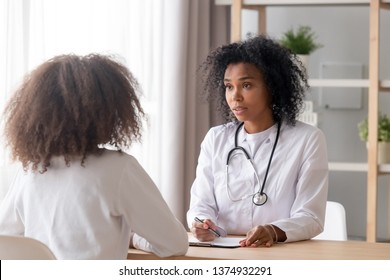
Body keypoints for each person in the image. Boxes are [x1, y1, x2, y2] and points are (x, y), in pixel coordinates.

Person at [0, 53, 188, 259]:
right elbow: (175, 243)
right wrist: (135, 239)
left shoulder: (32, 170)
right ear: (109, 109)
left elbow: (5, 238)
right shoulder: (118, 168)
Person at [187, 35, 329, 247]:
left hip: (280, 253)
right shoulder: (216, 139)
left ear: (272, 87)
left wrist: (274, 231)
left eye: (246, 85)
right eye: (228, 86)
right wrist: (203, 224)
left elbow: (311, 217)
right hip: (224, 253)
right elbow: (201, 204)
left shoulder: (307, 139)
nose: (235, 97)